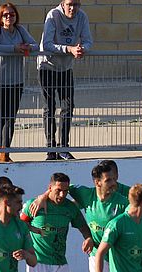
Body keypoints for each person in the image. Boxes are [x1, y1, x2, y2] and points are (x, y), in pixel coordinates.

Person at [38, 0, 93, 161]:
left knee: (68, 107)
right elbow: (47, 44)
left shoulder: (82, 17)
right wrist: (68, 49)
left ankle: (63, 147)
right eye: (69, 4)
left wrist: (83, 49)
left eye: (76, 4)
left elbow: (88, 41)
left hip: (65, 68)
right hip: (47, 66)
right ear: (63, 3)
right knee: (49, 108)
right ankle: (50, 148)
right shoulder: (53, 15)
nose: (72, 8)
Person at [0, 3, 38, 163]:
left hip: (17, 80)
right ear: (0, 17)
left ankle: (6, 151)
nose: (9, 17)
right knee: (0, 116)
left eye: (12, 14)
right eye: (6, 15)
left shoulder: (20, 30)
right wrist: (14, 48)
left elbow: (36, 45)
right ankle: (0, 149)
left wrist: (26, 47)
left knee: (11, 117)